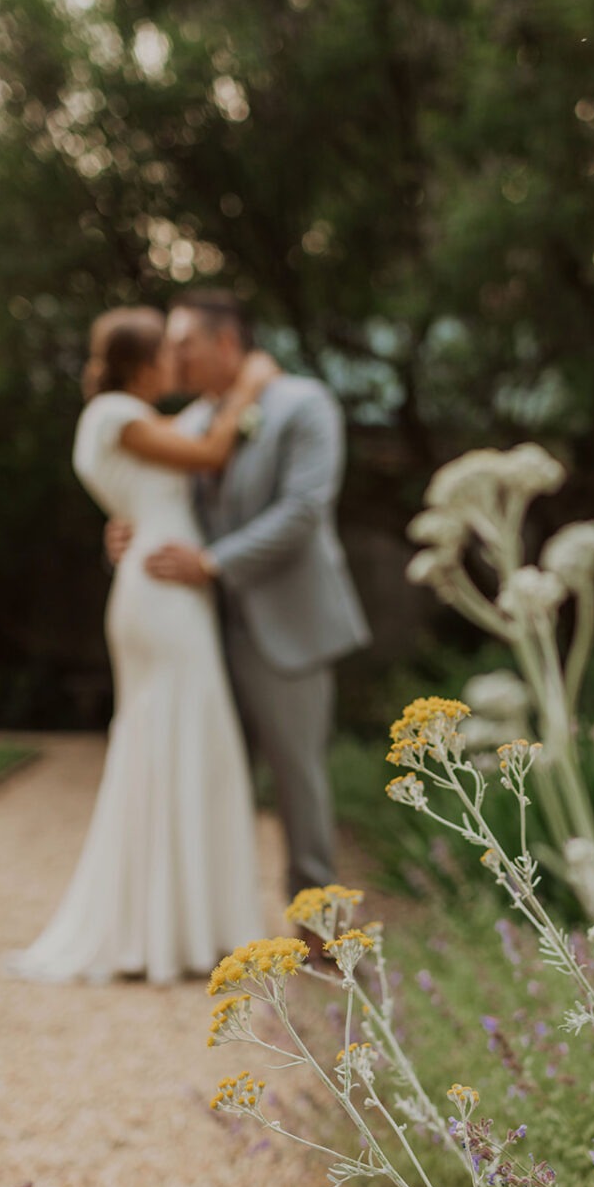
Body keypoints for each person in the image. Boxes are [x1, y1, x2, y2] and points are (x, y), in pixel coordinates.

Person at [4, 306, 277, 984]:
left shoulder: (138, 419)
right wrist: (251, 384)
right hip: (163, 592)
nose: (178, 366)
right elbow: (210, 451)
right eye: (169, 354)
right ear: (143, 363)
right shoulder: (114, 415)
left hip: (158, 581)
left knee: (181, 739)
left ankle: (187, 922)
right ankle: (165, 930)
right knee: (174, 735)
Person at [110, 289, 371, 906]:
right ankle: (211, 911)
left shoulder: (304, 405)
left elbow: (304, 511)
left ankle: (318, 926)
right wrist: (128, 530)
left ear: (226, 342)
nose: (172, 360)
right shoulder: (195, 425)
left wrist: (211, 563)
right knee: (205, 771)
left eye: (184, 345)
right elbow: (163, 503)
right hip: (201, 629)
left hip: (288, 625)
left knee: (296, 779)